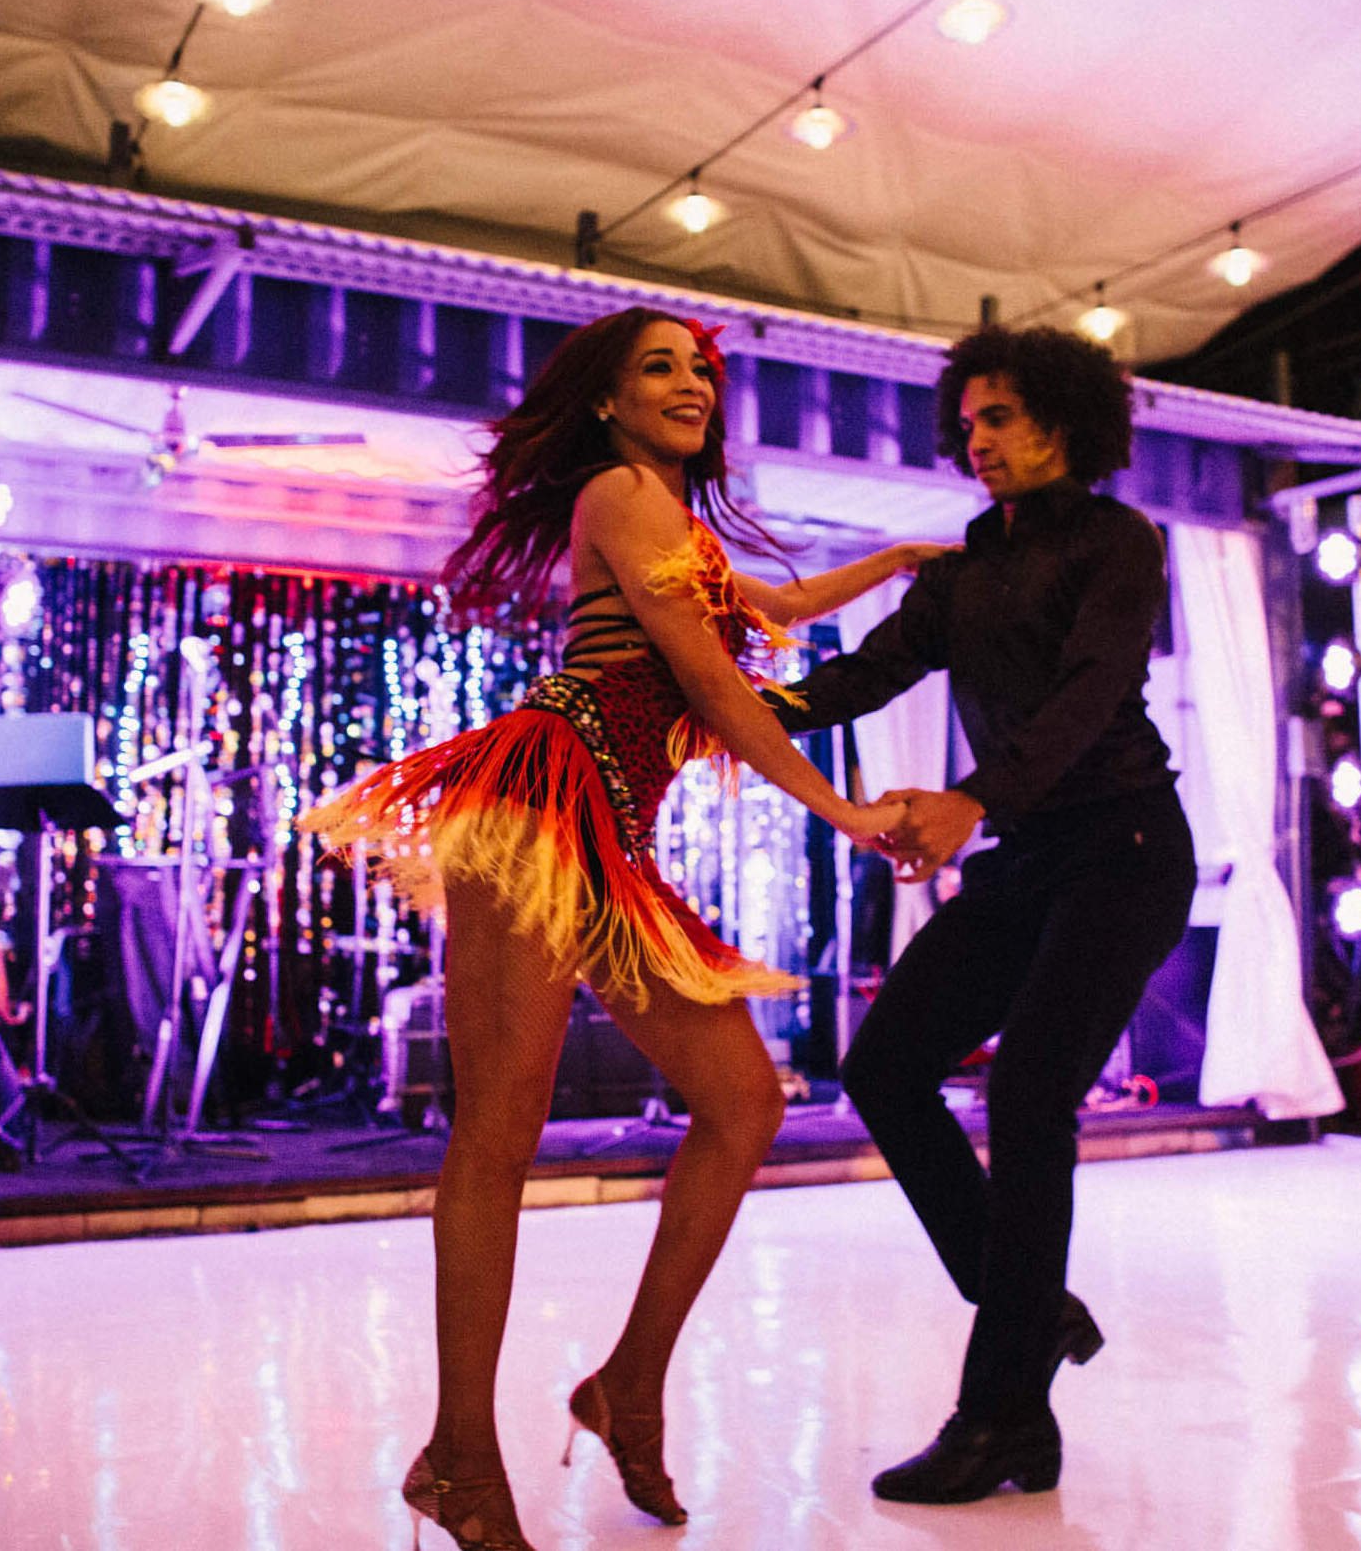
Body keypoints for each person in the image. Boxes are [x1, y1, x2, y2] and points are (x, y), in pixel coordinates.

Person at [301, 307, 950, 1550]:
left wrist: (898, 562)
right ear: (605, 400)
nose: (692, 381)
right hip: (536, 817)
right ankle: (458, 1457)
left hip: (609, 850)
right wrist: (842, 810)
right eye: (660, 365)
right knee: (498, 1131)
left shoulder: (675, 522)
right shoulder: (616, 492)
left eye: (701, 366)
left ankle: (628, 1383)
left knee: (743, 1102)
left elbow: (771, 606)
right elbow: (714, 683)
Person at [772, 323, 1197, 1505]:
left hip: (1121, 847)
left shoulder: (1117, 543)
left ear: (1062, 420)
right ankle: (1027, 1311)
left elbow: (1086, 696)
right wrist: (729, 711)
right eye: (965, 423)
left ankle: (999, 1414)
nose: (977, 441)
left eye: (998, 417)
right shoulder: (959, 572)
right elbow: (855, 677)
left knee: (1024, 1094)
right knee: (885, 1067)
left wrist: (969, 799)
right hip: (1024, 852)